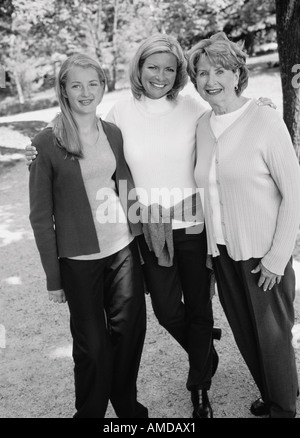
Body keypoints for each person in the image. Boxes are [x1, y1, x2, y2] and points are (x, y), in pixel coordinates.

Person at [25, 34, 273, 419]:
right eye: (152, 66)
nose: (161, 75)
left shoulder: (194, 107)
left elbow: (231, 115)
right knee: (166, 310)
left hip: (191, 222)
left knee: (199, 311)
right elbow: (100, 157)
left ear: (179, 74)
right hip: (149, 225)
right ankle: (204, 351)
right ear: (138, 68)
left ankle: (200, 388)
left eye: (170, 69)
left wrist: (261, 107)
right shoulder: (121, 114)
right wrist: (37, 149)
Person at [187, 31, 300, 418]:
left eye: (220, 70)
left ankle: (283, 408)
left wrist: (277, 256)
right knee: (247, 337)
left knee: (273, 340)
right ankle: (274, 393)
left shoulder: (265, 120)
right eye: (202, 73)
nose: (211, 80)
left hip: (263, 254)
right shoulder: (203, 124)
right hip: (222, 253)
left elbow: (294, 193)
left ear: (238, 74)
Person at [28, 53, 148, 419]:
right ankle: (91, 413)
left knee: (129, 338)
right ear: (63, 89)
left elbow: (125, 187)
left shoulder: (111, 131)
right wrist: (54, 278)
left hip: (122, 251)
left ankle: (128, 410)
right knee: (92, 347)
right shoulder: (46, 143)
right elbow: (39, 216)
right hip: (78, 262)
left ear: (103, 86)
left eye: (92, 84)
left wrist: (141, 246)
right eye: (76, 84)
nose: (85, 92)